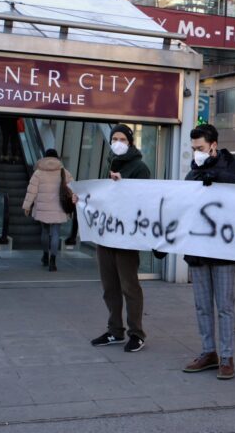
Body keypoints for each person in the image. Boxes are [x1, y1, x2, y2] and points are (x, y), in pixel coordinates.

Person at [182, 124, 235, 380]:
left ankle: (226, 357)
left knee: (224, 306)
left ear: (213, 145)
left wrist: (219, 177)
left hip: (224, 249)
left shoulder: (234, 166)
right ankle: (208, 352)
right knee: (202, 305)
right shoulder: (192, 174)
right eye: (194, 149)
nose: (197, 153)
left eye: (200, 148)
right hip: (197, 249)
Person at [89, 125, 150, 353]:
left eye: (122, 138)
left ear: (130, 142)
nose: (117, 142)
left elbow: (143, 200)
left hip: (126, 237)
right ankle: (115, 330)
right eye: (114, 138)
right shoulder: (109, 163)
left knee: (129, 286)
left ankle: (137, 333)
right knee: (109, 286)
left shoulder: (140, 168)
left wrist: (122, 185)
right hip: (106, 235)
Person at [21, 149, 73, 272]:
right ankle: (53, 261)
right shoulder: (64, 172)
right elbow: (72, 190)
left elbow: (31, 191)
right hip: (59, 208)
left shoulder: (38, 173)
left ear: (44, 158)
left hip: (42, 208)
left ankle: (45, 255)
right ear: (57, 158)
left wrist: (27, 206)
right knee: (55, 233)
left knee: (45, 232)